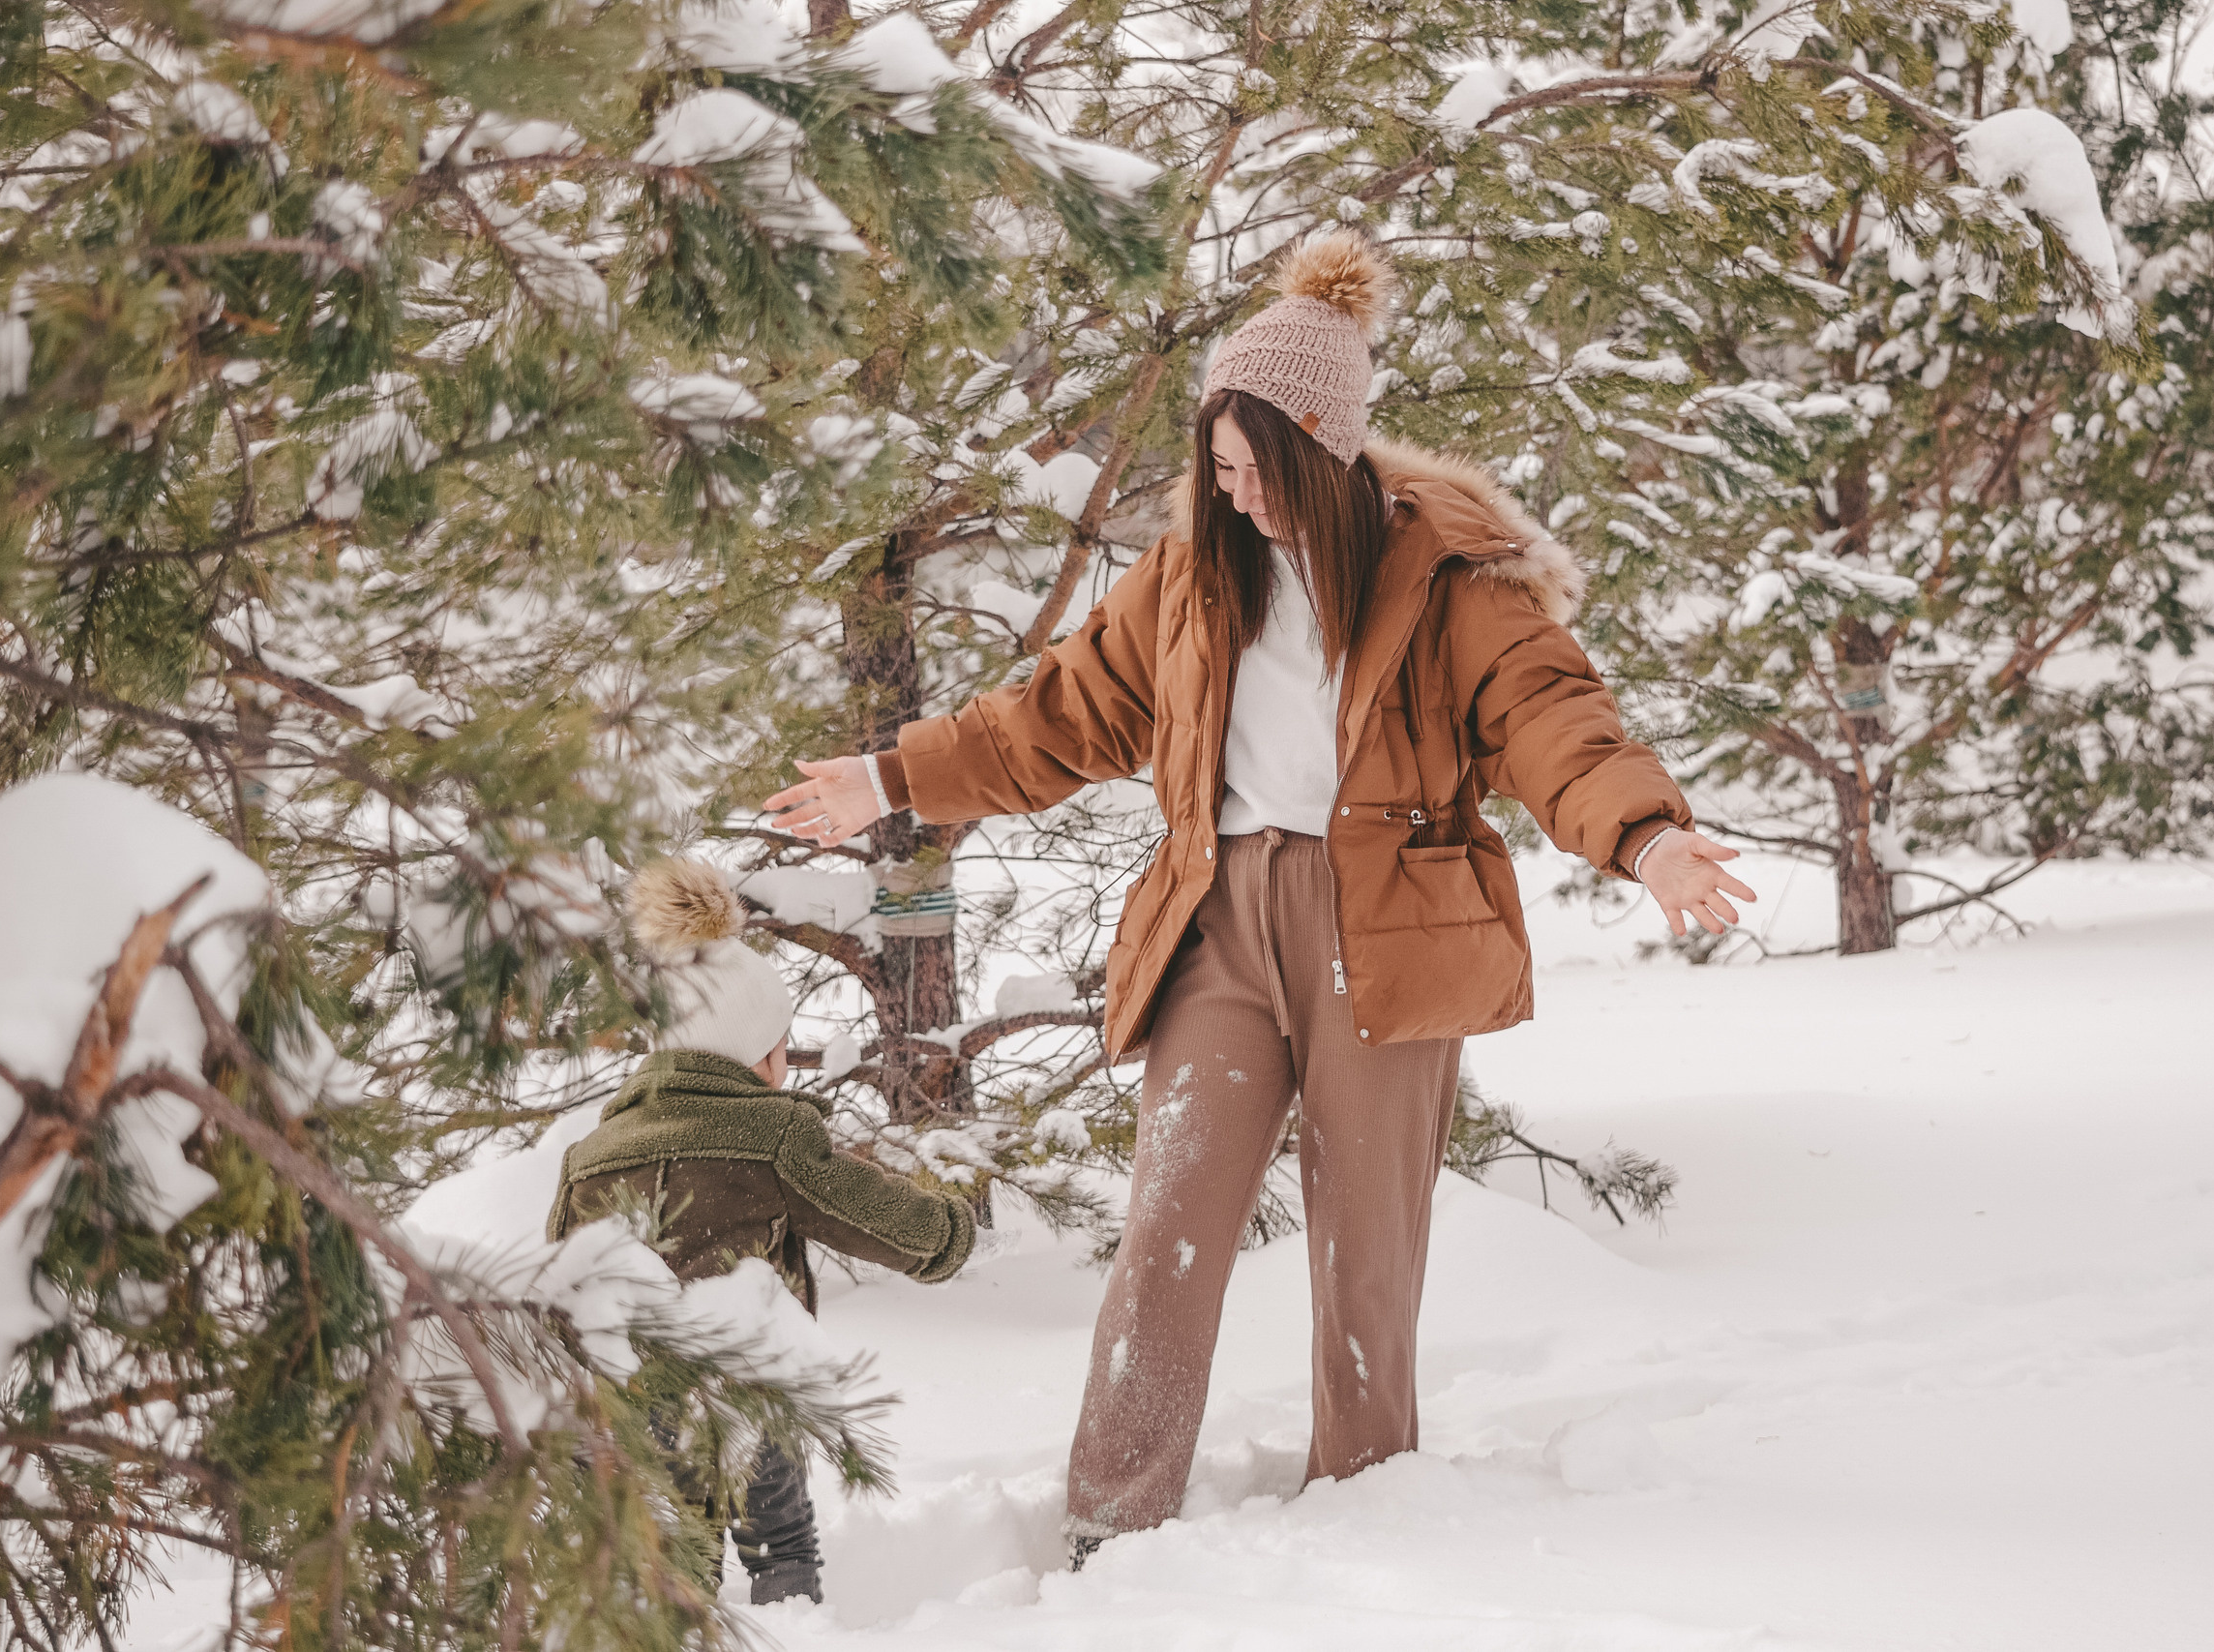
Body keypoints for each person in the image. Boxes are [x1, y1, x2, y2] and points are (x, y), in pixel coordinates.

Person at [760, 232, 1754, 1564]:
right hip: (1221, 918)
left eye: (1250, 468)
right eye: (1216, 468)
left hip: (1383, 925)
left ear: (1320, 446)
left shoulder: (1449, 578)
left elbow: (1553, 722)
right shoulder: (1190, 576)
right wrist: (893, 776)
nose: (1228, 494)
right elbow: (1058, 716)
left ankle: (1366, 1500)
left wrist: (1649, 839)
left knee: (1365, 1248)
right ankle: (1109, 1519)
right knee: (1167, 1225)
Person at [548, 858, 978, 1606]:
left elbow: (559, 1280)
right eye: (780, 1047)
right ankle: (790, 1614)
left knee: (667, 1557)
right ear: (755, 1053)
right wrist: (946, 1234)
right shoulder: (772, 1133)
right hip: (750, 1391)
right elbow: (867, 1207)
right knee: (780, 1541)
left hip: (632, 1399)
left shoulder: (591, 1154)